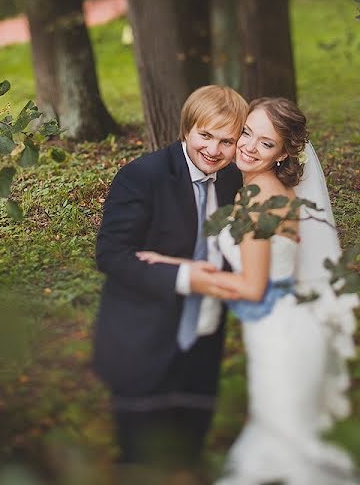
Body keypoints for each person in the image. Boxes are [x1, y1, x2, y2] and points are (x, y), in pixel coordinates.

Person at [138, 98, 360, 484]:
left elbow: (251, 286)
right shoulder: (258, 189)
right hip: (275, 333)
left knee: (295, 456)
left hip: (282, 340)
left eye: (266, 143)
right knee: (280, 448)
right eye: (246, 132)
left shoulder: (261, 199)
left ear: (282, 153)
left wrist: (174, 269)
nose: (248, 146)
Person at [92, 85, 248, 474]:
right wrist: (183, 275)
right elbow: (112, 255)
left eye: (226, 141)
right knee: (141, 459)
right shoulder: (142, 177)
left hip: (203, 338)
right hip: (143, 339)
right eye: (205, 136)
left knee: (188, 449)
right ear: (186, 130)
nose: (214, 150)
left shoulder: (234, 182)